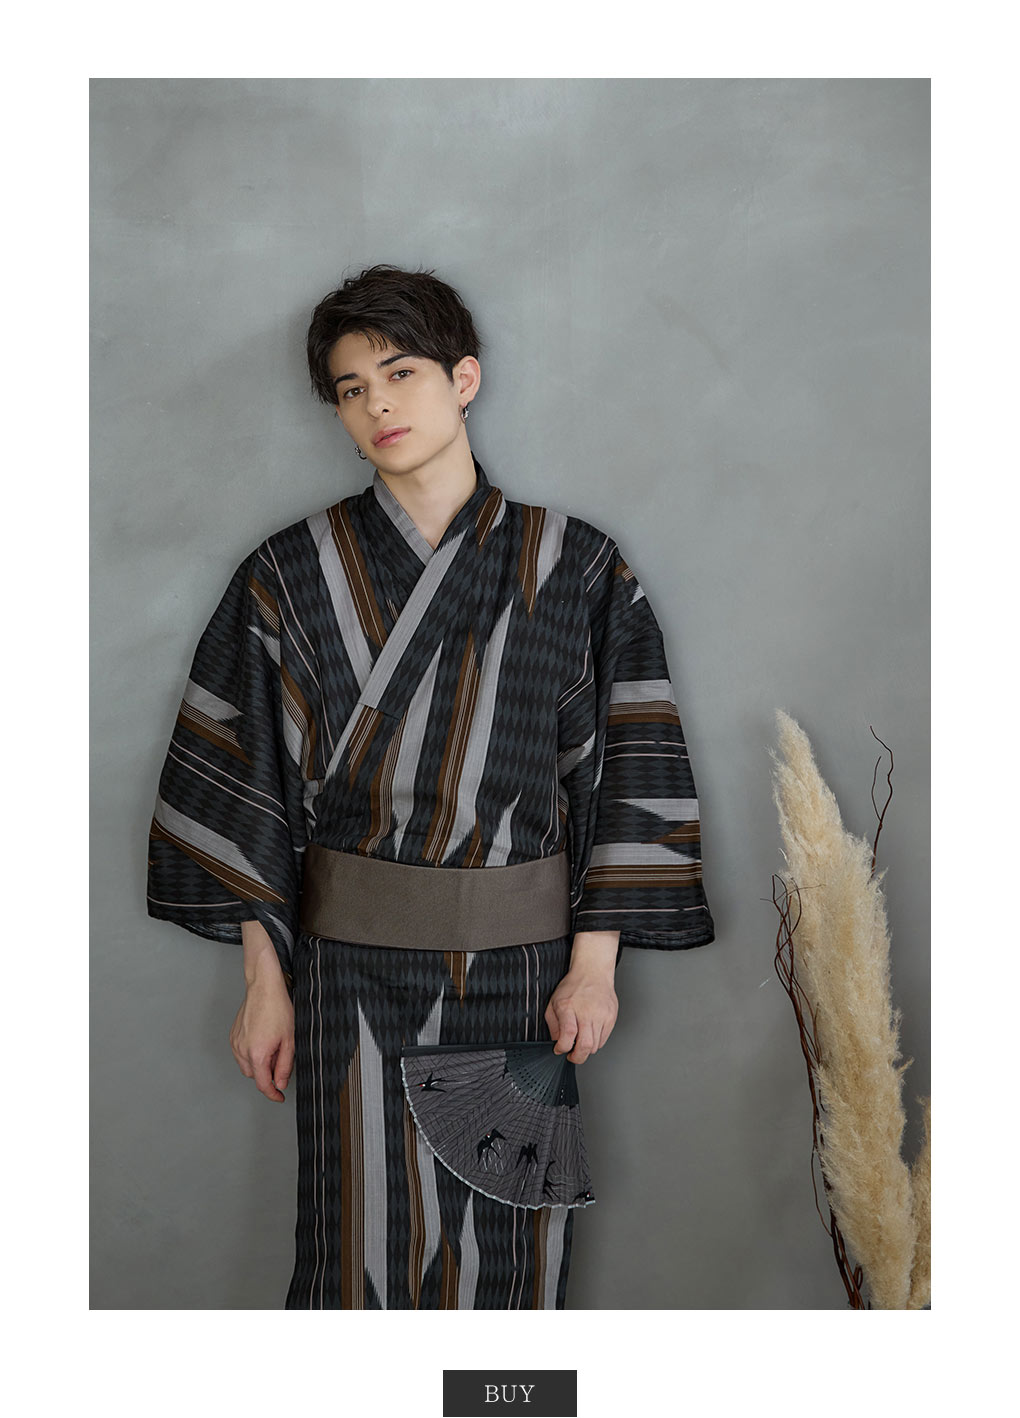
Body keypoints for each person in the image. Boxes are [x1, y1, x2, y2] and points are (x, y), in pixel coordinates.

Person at [146, 263, 716, 1309]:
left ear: (463, 378)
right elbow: (243, 779)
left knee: (512, 1256)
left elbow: (630, 764)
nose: (378, 404)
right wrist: (265, 981)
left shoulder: (575, 565)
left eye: (400, 372)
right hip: (348, 972)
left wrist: (594, 968)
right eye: (351, 388)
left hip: (524, 972)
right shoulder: (289, 571)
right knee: (354, 1252)